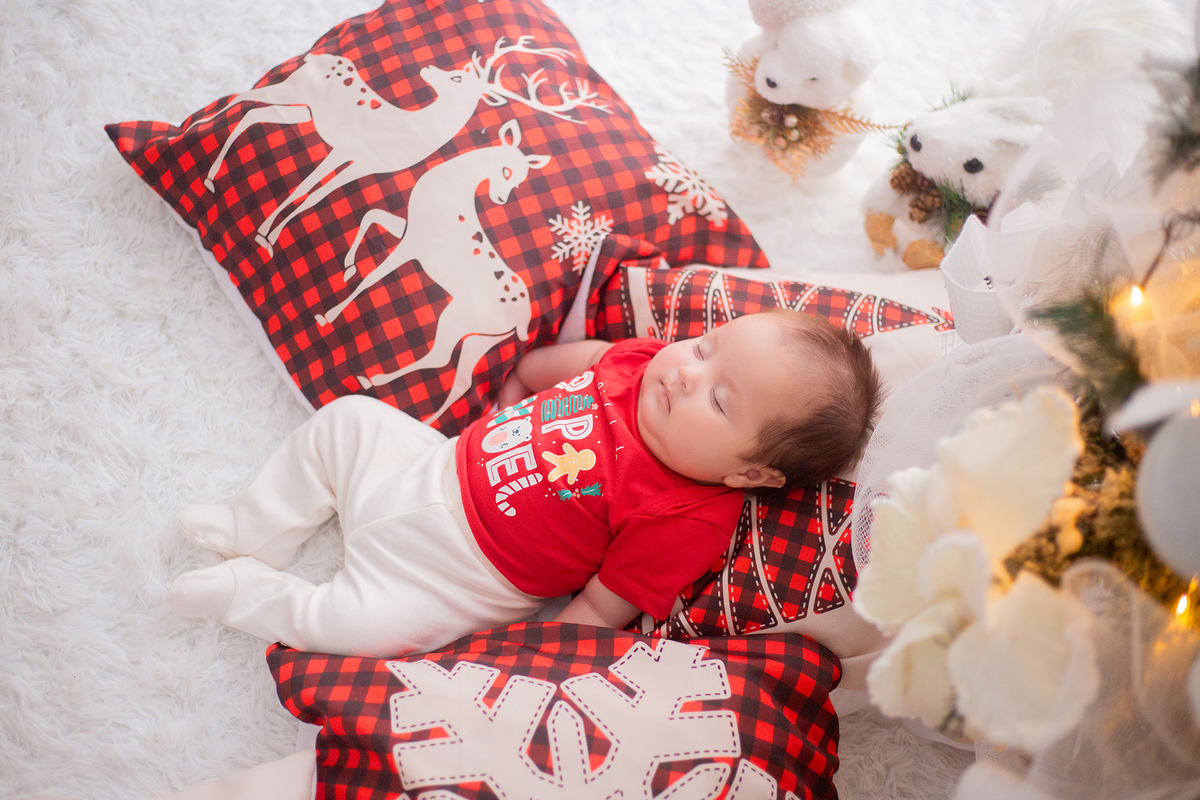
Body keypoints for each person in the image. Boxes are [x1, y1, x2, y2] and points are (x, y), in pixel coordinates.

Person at [168, 308, 881, 657]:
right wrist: (509, 396)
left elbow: (601, 609)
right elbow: (555, 365)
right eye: (704, 346)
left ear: (749, 471)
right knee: (346, 421)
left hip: (456, 575)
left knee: (358, 630)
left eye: (720, 400)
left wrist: (525, 657)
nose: (688, 373)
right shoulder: (638, 363)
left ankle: (249, 594)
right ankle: (254, 526)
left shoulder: (688, 515)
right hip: (430, 465)